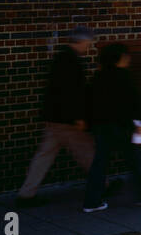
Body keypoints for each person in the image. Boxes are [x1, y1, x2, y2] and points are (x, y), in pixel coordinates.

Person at [83, 42, 141, 212]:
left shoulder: (98, 76)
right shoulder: (123, 76)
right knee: (133, 160)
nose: (128, 58)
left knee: (100, 164)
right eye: (126, 55)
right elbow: (131, 103)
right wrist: (137, 124)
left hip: (101, 126)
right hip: (120, 126)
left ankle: (92, 201)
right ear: (120, 58)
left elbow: (90, 103)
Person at [16, 26, 98, 208]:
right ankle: (102, 184)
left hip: (53, 117)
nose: (89, 47)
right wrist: (79, 117)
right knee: (86, 151)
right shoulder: (73, 61)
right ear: (83, 41)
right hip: (67, 120)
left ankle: (26, 193)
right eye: (88, 43)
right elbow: (73, 92)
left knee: (44, 155)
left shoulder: (60, 57)